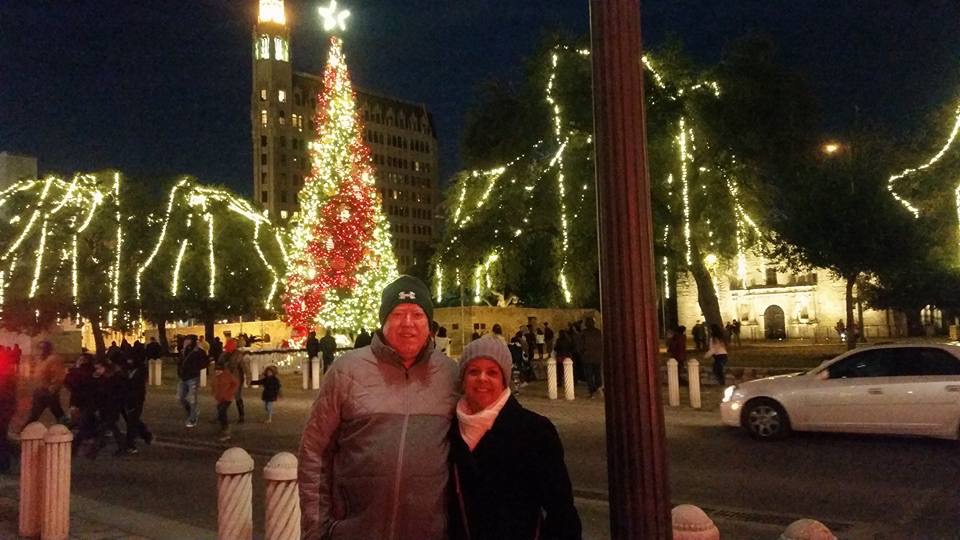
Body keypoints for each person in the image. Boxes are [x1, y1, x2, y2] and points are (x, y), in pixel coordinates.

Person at [298, 275, 458, 539]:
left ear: (429, 325)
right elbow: (314, 453)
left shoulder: (450, 375)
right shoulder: (346, 371)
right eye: (397, 314)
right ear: (383, 321)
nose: (407, 323)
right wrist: (317, 531)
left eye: (417, 314)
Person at [448, 336, 582, 539]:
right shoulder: (449, 429)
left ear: (504, 379)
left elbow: (561, 511)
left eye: (492, 372)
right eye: (473, 371)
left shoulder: (535, 431)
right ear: (463, 379)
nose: (482, 378)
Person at [26, 341, 68, 425]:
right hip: (39, 391)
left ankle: (23, 430)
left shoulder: (53, 359)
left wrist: (53, 388)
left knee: (36, 414)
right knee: (56, 411)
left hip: (48, 391)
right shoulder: (40, 360)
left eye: (43, 348)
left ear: (48, 349)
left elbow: (58, 375)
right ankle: (67, 426)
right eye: (40, 348)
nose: (41, 351)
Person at [122, 352, 152, 452]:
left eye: (130, 359)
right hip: (127, 398)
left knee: (132, 422)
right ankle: (146, 435)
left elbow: (138, 387)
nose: (128, 361)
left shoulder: (140, 371)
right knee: (133, 420)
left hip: (136, 399)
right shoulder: (127, 370)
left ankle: (130, 444)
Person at [176, 335, 209, 428]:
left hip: (193, 377)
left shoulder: (198, 351)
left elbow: (205, 362)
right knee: (181, 398)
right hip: (183, 377)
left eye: (188, 340)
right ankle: (192, 411)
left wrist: (195, 368)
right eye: (185, 340)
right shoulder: (183, 351)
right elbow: (180, 362)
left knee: (192, 399)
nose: (185, 342)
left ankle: (192, 418)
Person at [220, 338, 251, 424]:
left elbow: (245, 367)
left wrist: (248, 377)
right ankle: (222, 414)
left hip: (236, 378)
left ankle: (241, 416)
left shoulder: (238, 355)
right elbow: (220, 365)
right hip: (227, 378)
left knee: (237, 396)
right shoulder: (224, 354)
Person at [211, 361, 240, 442]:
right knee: (220, 411)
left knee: (222, 411)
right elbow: (214, 386)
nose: (217, 372)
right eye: (216, 370)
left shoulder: (227, 375)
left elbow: (236, 383)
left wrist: (230, 392)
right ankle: (224, 428)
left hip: (227, 397)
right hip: (220, 398)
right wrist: (215, 394)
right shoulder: (216, 377)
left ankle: (226, 429)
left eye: (219, 370)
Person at [0, 346, 18, 472]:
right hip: (7, 408)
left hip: (4, 408)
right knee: (2, 436)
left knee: (1, 436)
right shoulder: (9, 373)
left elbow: (8, 394)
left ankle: (4, 463)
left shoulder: (6, 375)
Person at [580, 317, 603, 398]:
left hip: (588, 358)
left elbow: (580, 346)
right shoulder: (598, 332)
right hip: (597, 357)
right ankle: (598, 388)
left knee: (589, 376)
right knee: (597, 374)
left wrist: (582, 353)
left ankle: (592, 392)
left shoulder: (584, 333)